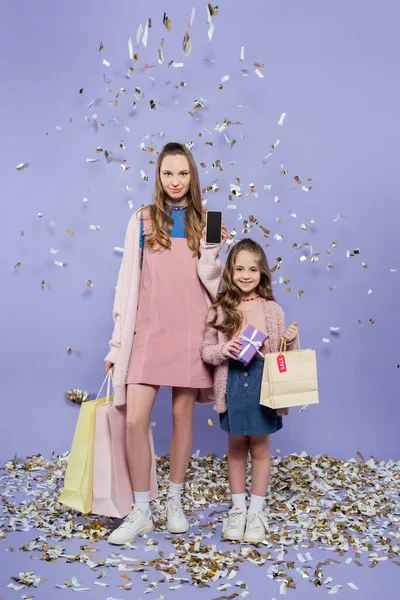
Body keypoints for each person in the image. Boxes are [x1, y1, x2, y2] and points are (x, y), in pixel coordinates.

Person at [105, 142, 227, 544]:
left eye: (183, 173)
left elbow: (214, 285)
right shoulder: (142, 219)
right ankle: (142, 510)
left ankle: (173, 500)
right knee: (135, 420)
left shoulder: (208, 221)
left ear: (193, 177)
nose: (175, 181)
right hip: (149, 333)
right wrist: (117, 344)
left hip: (191, 334)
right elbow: (127, 283)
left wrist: (215, 249)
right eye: (168, 173)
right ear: (158, 177)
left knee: (181, 419)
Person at [201, 238, 298, 543]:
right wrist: (223, 349)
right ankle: (238, 509)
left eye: (253, 269)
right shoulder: (220, 309)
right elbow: (206, 350)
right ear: (229, 271)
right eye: (240, 268)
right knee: (236, 448)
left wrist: (290, 339)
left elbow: (283, 354)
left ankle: (256, 512)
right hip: (232, 382)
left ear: (262, 273)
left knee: (260, 448)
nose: (246, 274)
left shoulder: (272, 309)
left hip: (262, 380)